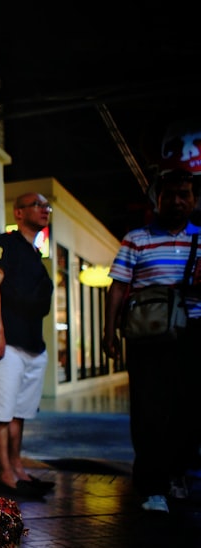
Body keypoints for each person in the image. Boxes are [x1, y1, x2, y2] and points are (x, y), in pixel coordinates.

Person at [103, 168, 201, 513]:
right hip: (148, 337)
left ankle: (178, 475)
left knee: (188, 411)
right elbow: (117, 287)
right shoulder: (137, 239)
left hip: (192, 336)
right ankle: (151, 485)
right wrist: (109, 331)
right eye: (169, 194)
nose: (176, 200)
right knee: (148, 411)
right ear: (157, 199)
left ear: (194, 199)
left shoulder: (199, 238)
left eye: (184, 194)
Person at [0, 192, 55, 500]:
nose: (44, 210)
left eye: (46, 206)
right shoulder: (5, 244)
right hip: (7, 344)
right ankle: (5, 476)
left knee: (18, 413)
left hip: (33, 345)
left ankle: (18, 469)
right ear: (19, 212)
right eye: (38, 205)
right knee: (0, 412)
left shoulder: (35, 253)